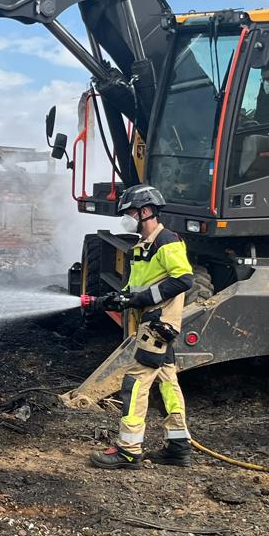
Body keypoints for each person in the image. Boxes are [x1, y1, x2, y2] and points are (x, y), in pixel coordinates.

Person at [90, 185, 196, 469]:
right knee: (167, 383)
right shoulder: (144, 245)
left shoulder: (167, 241)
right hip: (153, 323)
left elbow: (184, 279)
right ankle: (178, 446)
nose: (127, 218)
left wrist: (143, 298)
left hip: (158, 325)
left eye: (130, 213)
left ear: (146, 212)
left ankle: (128, 449)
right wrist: (117, 298)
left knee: (135, 382)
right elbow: (138, 286)